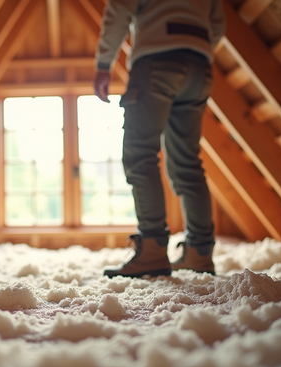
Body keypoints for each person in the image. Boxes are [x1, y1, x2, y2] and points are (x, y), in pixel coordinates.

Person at [94, 0, 225, 278]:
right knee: (187, 160)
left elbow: (119, 9)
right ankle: (199, 252)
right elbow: (217, 23)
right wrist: (196, 49)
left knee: (140, 155)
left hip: (156, 60)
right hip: (199, 65)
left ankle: (152, 249)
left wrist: (104, 63)